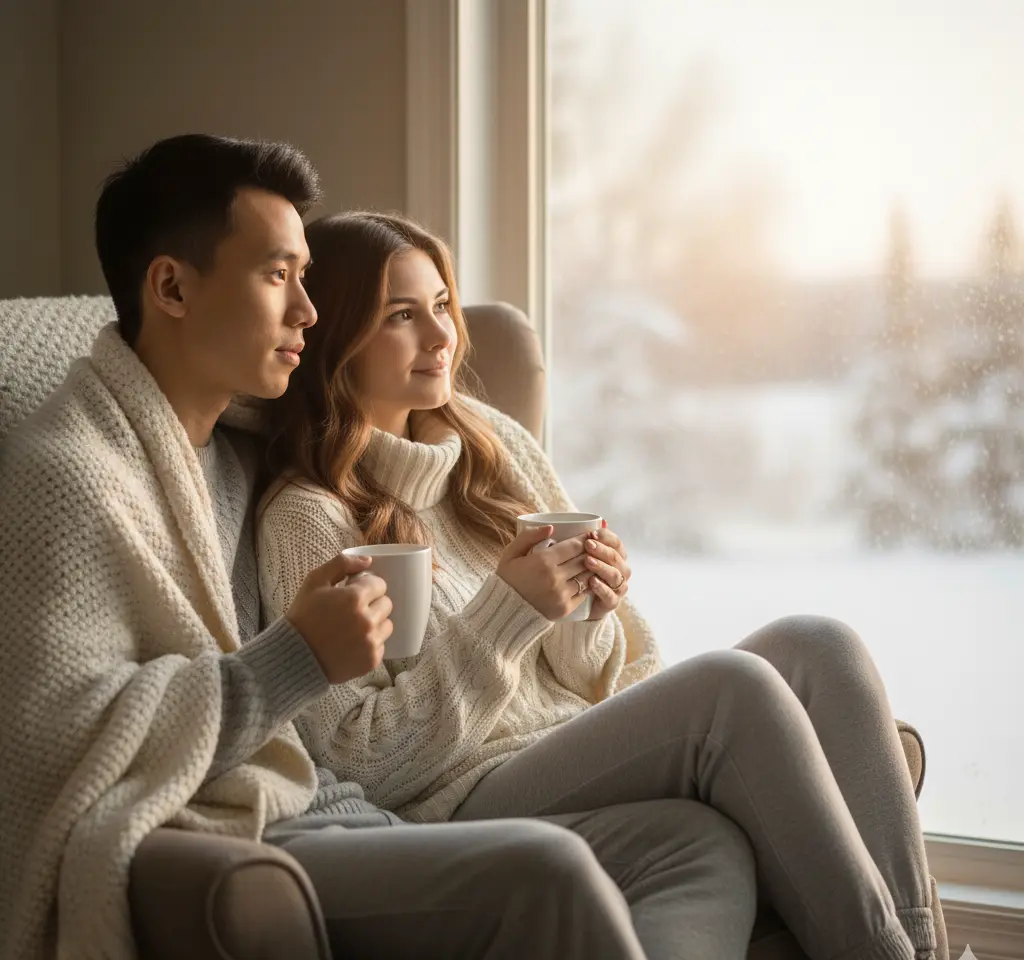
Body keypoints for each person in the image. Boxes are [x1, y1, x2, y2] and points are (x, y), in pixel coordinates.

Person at [0, 135, 751, 960]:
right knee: (554, 859)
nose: (309, 314)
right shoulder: (68, 476)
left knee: (695, 842)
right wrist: (293, 659)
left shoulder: (229, 441)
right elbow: (51, 745)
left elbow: (361, 406)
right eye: (278, 276)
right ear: (172, 286)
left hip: (346, 798)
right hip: (293, 810)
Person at [257, 210, 941, 960]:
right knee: (729, 689)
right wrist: (507, 613)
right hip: (454, 800)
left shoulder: (491, 445)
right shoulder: (307, 520)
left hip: (570, 751)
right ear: (338, 339)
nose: (440, 334)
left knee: (821, 645)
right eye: (401, 316)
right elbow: (362, 762)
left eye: (443, 305)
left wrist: (591, 609)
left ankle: (921, 950)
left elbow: (592, 678)